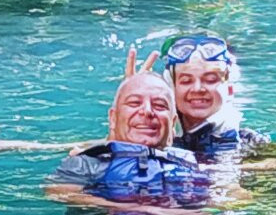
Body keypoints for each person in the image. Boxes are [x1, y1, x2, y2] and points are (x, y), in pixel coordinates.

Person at [44, 72, 209, 213]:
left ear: (173, 124)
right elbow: (58, 192)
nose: (147, 111)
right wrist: (141, 208)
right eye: (134, 103)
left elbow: (229, 198)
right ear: (113, 118)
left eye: (159, 105)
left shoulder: (194, 164)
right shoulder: (89, 162)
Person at [125, 34, 271, 159]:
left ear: (230, 89)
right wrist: (133, 111)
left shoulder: (255, 145)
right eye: (186, 81)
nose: (198, 89)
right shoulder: (150, 138)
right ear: (171, 89)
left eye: (210, 80)